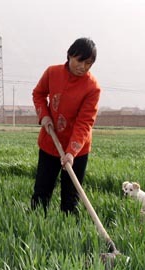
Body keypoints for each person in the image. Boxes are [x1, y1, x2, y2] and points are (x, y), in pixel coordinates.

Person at [31, 37, 101, 217]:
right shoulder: (52, 73)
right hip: (50, 142)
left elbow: (84, 123)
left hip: (77, 149)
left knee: (70, 200)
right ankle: (36, 226)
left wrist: (71, 152)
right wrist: (44, 116)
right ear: (70, 55)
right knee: (41, 193)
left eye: (88, 63)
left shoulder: (92, 88)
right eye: (80, 60)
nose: (83, 67)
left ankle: (67, 234)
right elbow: (38, 94)